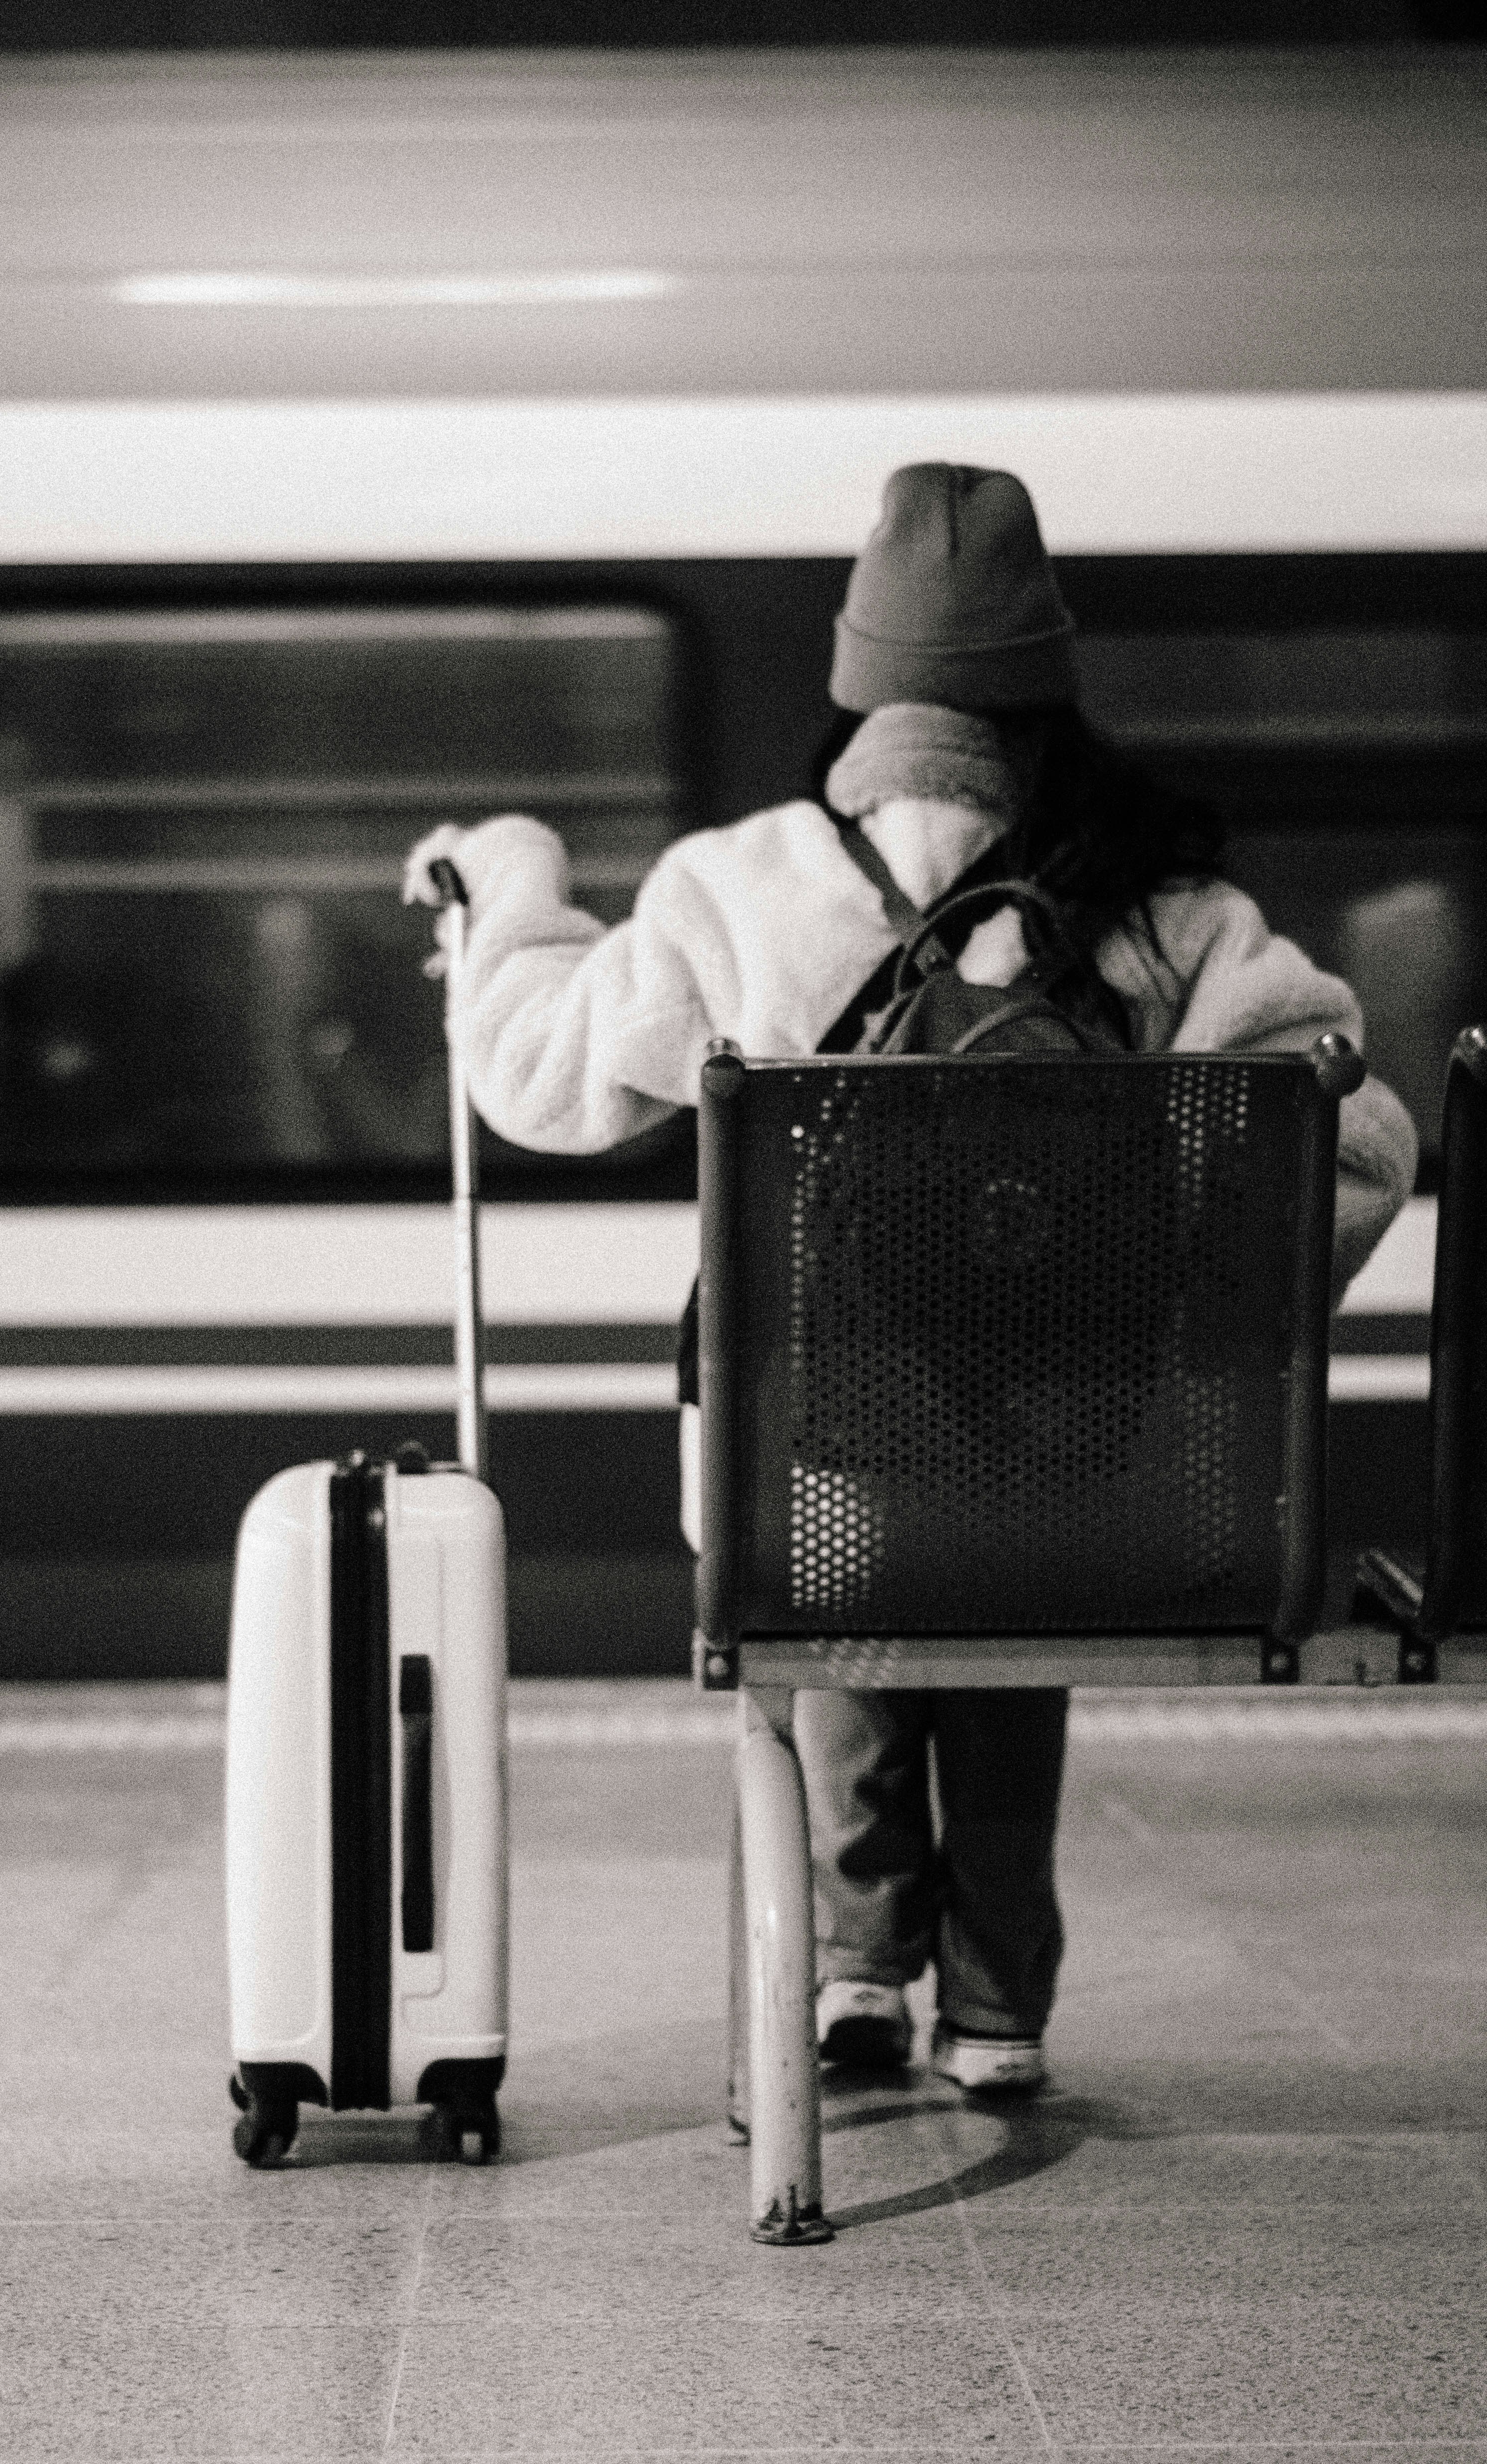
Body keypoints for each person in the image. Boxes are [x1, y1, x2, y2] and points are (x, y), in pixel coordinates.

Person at [404, 462, 1418, 2096]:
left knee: (842, 1578)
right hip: (1098, 1486)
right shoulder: (1163, 908)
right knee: (1014, 1598)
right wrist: (1180, 1299)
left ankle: (854, 1974)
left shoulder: (736, 889)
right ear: (1045, 685)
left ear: (858, 683)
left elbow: (534, 1076)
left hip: (808, 1485)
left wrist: (511, 881)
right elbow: (1351, 1145)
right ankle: (999, 2010)